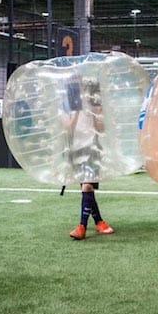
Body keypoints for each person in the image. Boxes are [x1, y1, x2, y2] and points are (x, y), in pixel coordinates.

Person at [60, 75, 115, 240]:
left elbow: (102, 128)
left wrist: (96, 114)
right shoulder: (65, 105)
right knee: (86, 188)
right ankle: (99, 221)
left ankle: (82, 226)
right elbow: (68, 128)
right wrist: (76, 111)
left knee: (87, 187)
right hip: (76, 150)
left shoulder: (94, 104)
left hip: (92, 147)